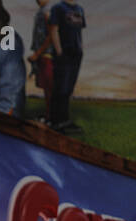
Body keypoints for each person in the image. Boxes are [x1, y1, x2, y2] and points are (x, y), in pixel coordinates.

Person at [46, 0, 83, 132]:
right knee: (60, 88)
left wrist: (80, 50)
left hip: (76, 53)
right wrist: (59, 51)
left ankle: (65, 121)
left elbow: (79, 32)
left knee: (68, 88)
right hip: (64, 52)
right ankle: (55, 121)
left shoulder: (79, 9)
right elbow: (54, 30)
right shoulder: (58, 8)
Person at [27, 0, 53, 124]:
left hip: (47, 55)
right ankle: (49, 116)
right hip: (43, 54)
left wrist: (37, 54)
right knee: (46, 88)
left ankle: (51, 118)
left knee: (49, 88)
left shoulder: (47, 11)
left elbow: (51, 35)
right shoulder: (42, 11)